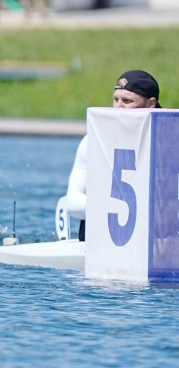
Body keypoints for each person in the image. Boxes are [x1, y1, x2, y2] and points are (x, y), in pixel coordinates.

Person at [65, 70, 161, 241]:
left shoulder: (168, 141)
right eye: (116, 99)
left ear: (151, 104)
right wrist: (115, 209)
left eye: (127, 101)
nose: (118, 107)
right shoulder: (92, 142)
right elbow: (72, 201)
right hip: (100, 240)